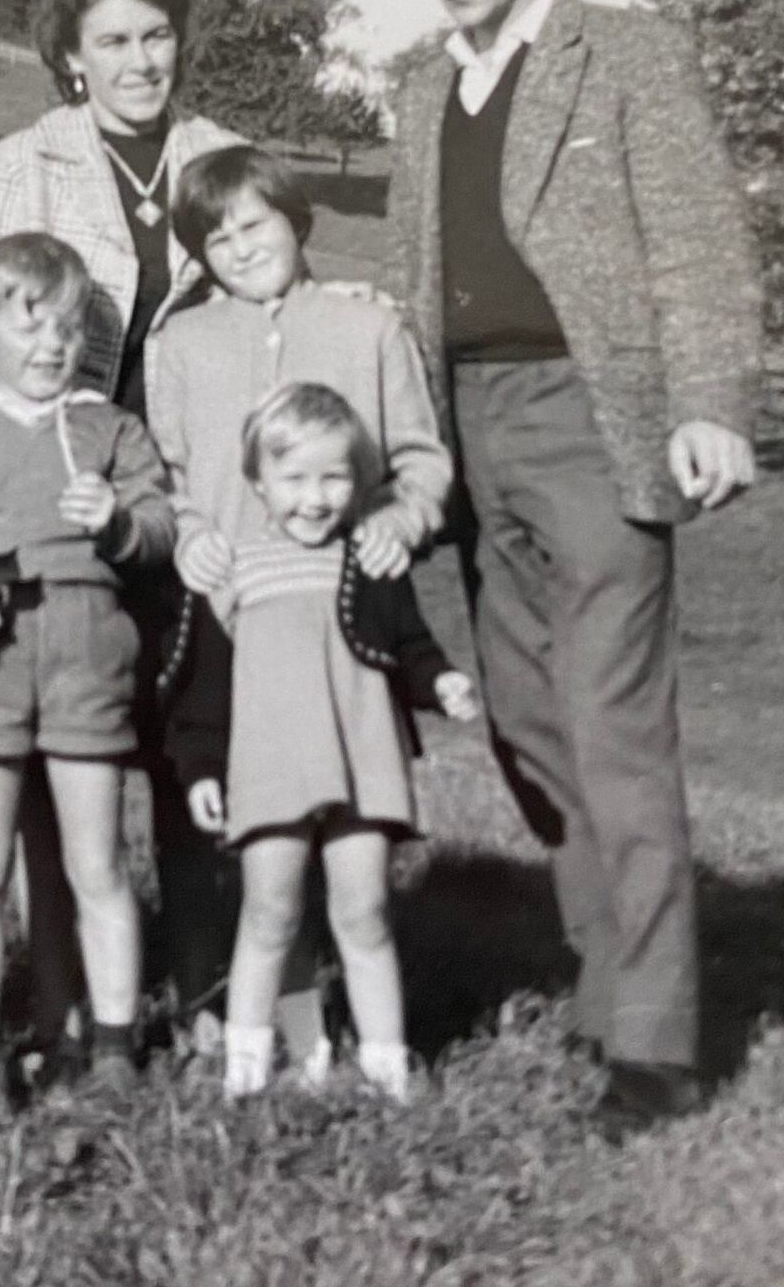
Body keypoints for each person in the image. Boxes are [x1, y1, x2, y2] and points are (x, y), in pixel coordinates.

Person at [379, 0, 762, 1138]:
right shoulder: (420, 85)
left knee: (612, 725)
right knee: (526, 723)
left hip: (591, 417)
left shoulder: (628, 55)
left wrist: (709, 405)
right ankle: (608, 986)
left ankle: (653, 1045)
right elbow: (413, 273)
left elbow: (698, 244)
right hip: (468, 427)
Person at [0, 0, 238, 1065]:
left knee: (188, 737)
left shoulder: (218, 156)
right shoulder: (23, 163)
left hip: (187, 488)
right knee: (55, 753)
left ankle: (204, 990)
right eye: (112, 40)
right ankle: (60, 1002)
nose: (138, 61)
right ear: (71, 56)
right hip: (65, 487)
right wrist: (13, 501)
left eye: (156, 35)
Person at [147, 143, 453, 1065]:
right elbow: (168, 475)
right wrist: (188, 533)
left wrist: (402, 517)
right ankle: (283, 1028)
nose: (241, 247)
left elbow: (421, 457)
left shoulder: (368, 326)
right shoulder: (182, 344)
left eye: (256, 224)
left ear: (296, 218)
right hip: (236, 622)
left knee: (348, 828)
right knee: (264, 848)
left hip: (340, 624)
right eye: (217, 238)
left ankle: (358, 1033)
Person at [0, 233, 176, 1111]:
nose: (50, 347)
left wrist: (117, 524)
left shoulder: (110, 428)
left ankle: (113, 1049)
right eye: (28, 327)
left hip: (86, 646)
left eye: (67, 330)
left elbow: (160, 529)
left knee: (98, 860)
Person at [213, 385, 476, 1104]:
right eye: (294, 479)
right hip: (271, 768)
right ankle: (245, 1071)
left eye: (334, 478)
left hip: (363, 760)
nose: (315, 498)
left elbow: (410, 644)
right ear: (258, 482)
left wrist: (442, 681)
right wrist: (202, 766)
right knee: (269, 912)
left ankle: (387, 1070)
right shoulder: (236, 568)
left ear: (358, 481)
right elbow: (206, 689)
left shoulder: (371, 560)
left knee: (364, 912)